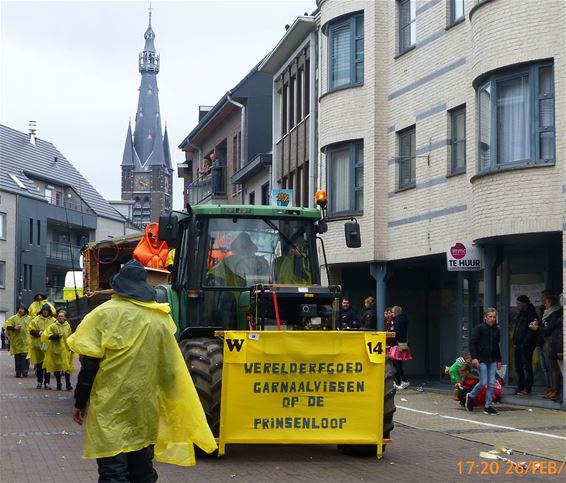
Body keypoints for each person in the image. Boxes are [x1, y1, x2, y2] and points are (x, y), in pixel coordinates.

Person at [67, 260, 216, 481]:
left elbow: (89, 366)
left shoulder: (103, 314)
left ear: (118, 286)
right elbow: (170, 368)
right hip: (144, 407)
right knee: (142, 469)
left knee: (113, 470)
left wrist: (80, 402)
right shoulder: (160, 319)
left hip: (110, 406)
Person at [465, 308, 502, 415]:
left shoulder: (496, 330)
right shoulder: (479, 329)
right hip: (481, 359)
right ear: (485, 317)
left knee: (491, 383)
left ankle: (488, 405)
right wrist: (474, 358)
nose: (492, 319)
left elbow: (496, 346)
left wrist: (499, 360)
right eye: (490, 316)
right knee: (483, 382)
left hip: (492, 359)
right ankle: (471, 396)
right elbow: (472, 343)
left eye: (494, 317)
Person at [529, 290, 562, 400]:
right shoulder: (546, 312)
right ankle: (550, 388)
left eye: (545, 300)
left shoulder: (555, 313)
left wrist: (537, 328)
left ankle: (555, 389)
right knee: (548, 367)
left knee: (554, 368)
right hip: (545, 341)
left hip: (552, 342)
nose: (543, 303)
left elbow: (548, 329)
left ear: (549, 301)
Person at [41, 309, 73, 391]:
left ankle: (68, 385)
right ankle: (59, 384)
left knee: (66, 367)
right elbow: (47, 336)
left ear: (65, 318)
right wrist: (57, 336)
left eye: (62, 316)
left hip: (66, 350)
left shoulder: (68, 326)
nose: (60, 317)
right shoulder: (53, 326)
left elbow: (70, 336)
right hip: (56, 350)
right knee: (58, 368)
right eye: (59, 316)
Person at [513, 295, 539, 395]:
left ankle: (527, 388)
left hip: (526, 345)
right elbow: (517, 329)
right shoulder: (520, 314)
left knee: (526, 366)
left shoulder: (532, 315)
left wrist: (525, 343)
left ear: (524, 304)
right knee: (518, 366)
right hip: (518, 344)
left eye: (519, 303)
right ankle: (520, 386)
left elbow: (531, 332)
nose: (517, 306)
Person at [28, 304, 56, 389]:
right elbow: (30, 330)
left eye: (47, 310)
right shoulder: (36, 320)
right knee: (39, 365)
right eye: (44, 310)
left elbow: (57, 330)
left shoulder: (53, 320)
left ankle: (47, 383)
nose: (45, 312)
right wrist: (38, 332)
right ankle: (39, 381)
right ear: (42, 311)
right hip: (38, 346)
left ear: (49, 311)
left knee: (47, 365)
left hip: (48, 345)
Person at [2, 306, 31, 377]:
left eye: (22, 309)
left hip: (26, 342)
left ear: (25, 311)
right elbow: (5, 326)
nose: (21, 310)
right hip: (16, 342)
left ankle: (25, 371)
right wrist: (14, 328)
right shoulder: (13, 318)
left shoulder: (30, 318)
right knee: (17, 357)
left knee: (25, 358)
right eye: (19, 309)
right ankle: (18, 372)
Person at [389, 305, 411, 389]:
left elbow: (396, 333)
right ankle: (399, 381)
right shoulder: (404, 319)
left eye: (393, 312)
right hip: (402, 343)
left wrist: (392, 340)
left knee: (396, 364)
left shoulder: (397, 320)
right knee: (398, 364)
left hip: (397, 344)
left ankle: (403, 381)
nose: (391, 314)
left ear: (396, 312)